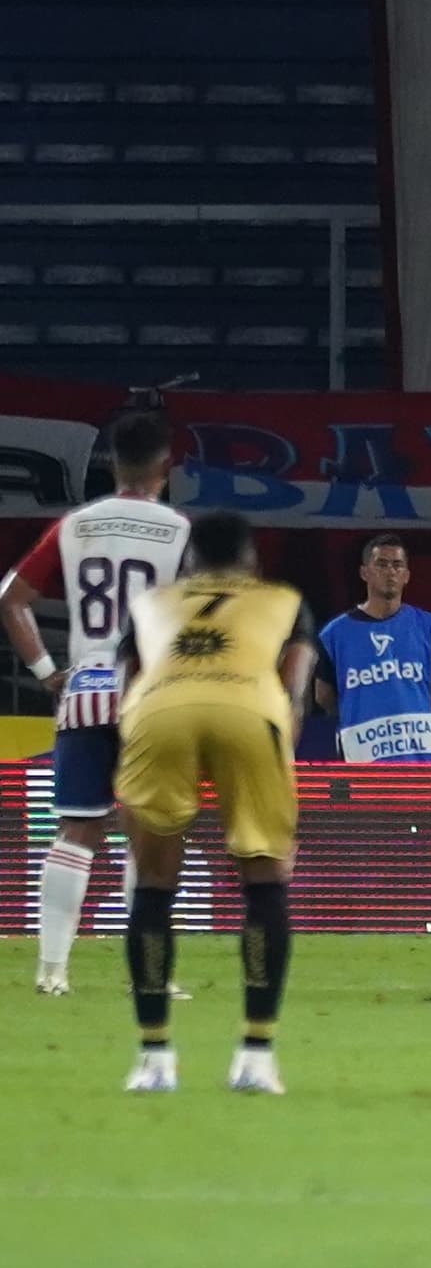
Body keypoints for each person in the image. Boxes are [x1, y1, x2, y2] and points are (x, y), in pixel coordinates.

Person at [111, 512, 314, 1092]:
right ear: (250, 560)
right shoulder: (282, 600)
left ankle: (154, 1059)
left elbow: (128, 681)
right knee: (265, 881)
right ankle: (255, 1055)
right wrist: (277, 752)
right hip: (250, 709)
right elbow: (295, 685)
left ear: (191, 561)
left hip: (160, 710)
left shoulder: (154, 601)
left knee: (152, 884)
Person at [0, 412, 191, 997]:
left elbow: (11, 598)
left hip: (85, 690)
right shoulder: (178, 530)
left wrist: (48, 673)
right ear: (165, 465)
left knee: (77, 829)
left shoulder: (75, 525)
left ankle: (51, 970)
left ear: (111, 463)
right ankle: (148, 976)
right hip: (152, 694)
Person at [313, 534, 431, 762]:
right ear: (364, 572)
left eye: (397, 565)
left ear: (407, 575)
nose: (390, 572)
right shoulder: (335, 633)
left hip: (418, 760)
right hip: (362, 760)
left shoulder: (427, 625)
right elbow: (323, 695)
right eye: (381, 564)